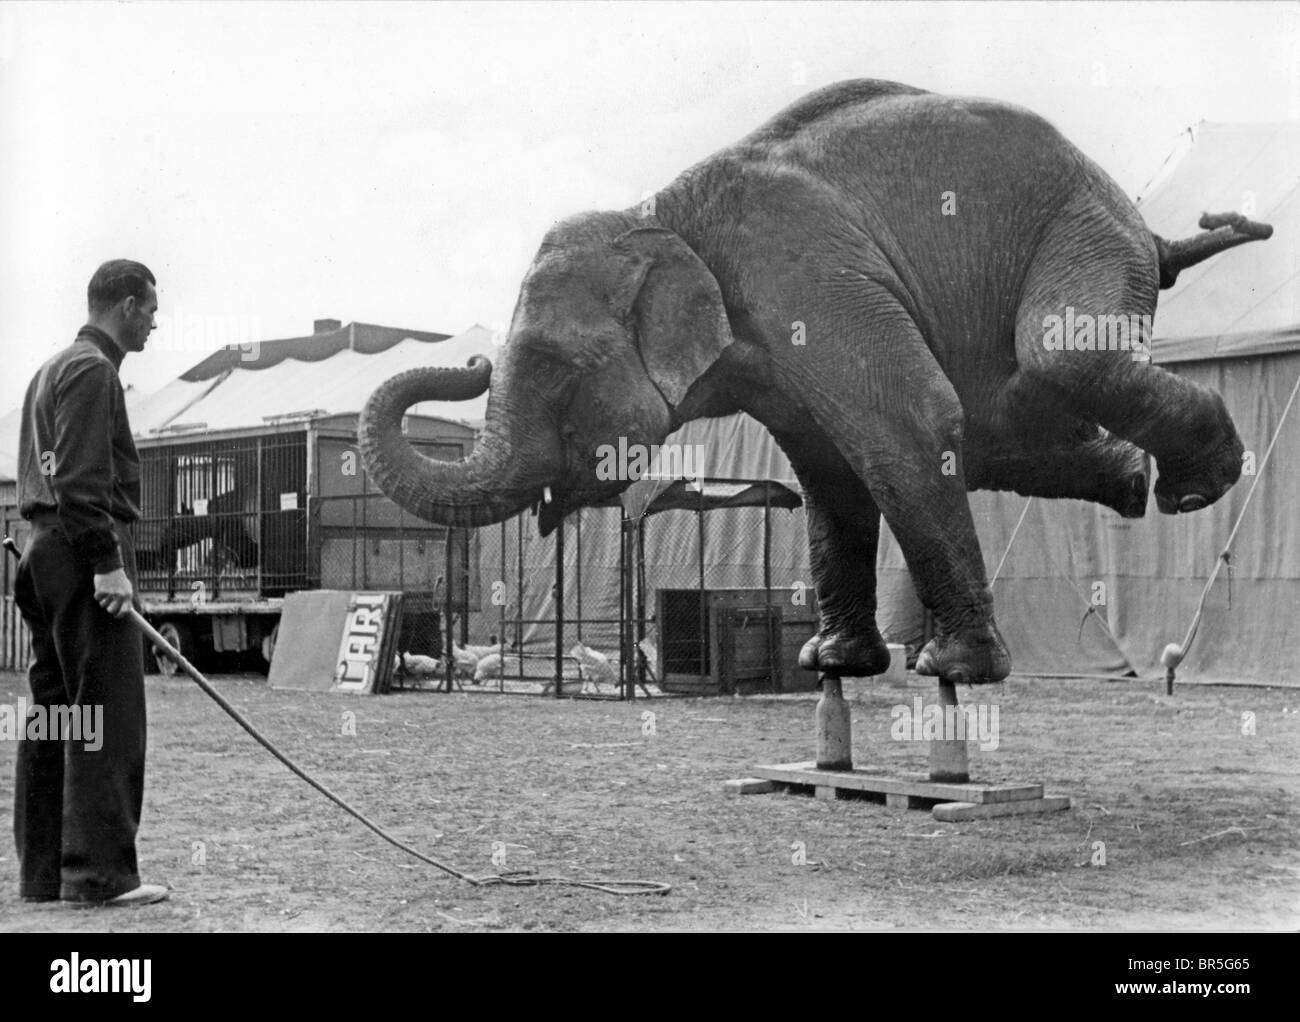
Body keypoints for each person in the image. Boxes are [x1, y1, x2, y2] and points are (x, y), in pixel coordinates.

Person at [13, 259, 168, 906]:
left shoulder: (48, 369)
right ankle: (101, 876)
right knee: (107, 712)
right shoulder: (94, 372)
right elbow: (79, 480)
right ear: (127, 305)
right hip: (81, 552)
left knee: (52, 713)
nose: (155, 323)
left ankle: (44, 875)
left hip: (40, 552)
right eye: (152, 310)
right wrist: (108, 562)